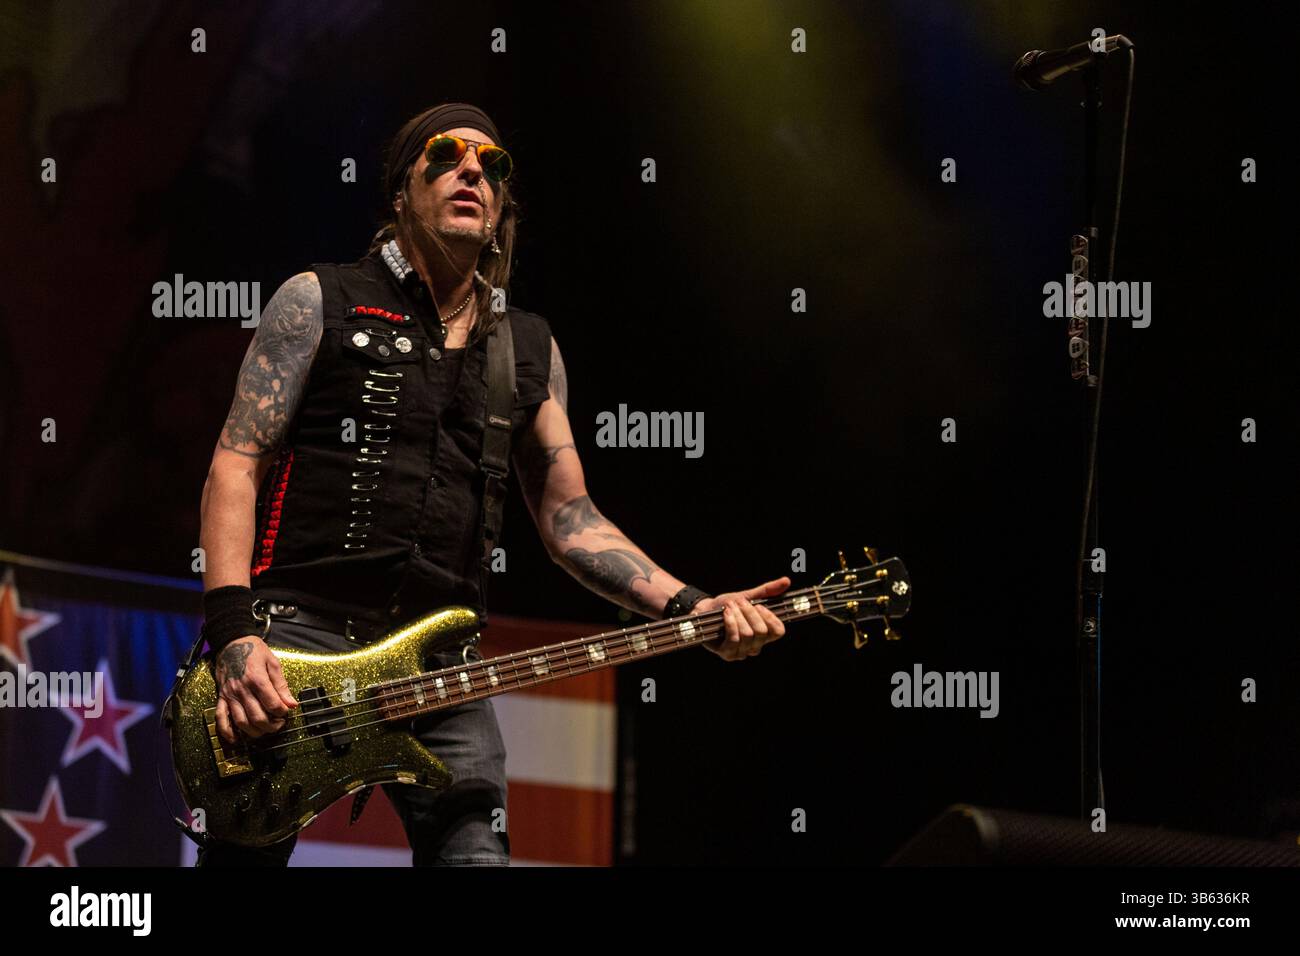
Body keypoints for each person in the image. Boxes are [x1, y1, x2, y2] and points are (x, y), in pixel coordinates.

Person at [194, 102, 791, 866]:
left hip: (442, 664)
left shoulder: (528, 347)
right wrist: (236, 633)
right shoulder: (319, 299)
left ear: (503, 206)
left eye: (493, 164)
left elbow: (570, 519)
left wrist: (693, 605)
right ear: (402, 190)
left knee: (476, 855)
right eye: (445, 155)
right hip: (299, 633)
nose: (473, 169)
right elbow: (235, 463)